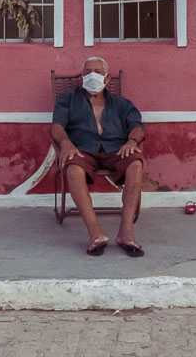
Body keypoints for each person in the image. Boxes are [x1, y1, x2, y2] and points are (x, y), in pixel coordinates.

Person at [51, 56, 146, 257]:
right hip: (82, 149)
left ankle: (125, 232)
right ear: (81, 77)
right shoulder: (67, 99)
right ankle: (95, 234)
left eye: (97, 71)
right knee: (73, 168)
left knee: (136, 163)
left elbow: (137, 126)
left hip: (116, 149)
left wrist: (132, 141)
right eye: (87, 72)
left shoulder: (122, 103)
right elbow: (57, 126)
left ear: (107, 77)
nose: (92, 75)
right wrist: (66, 143)